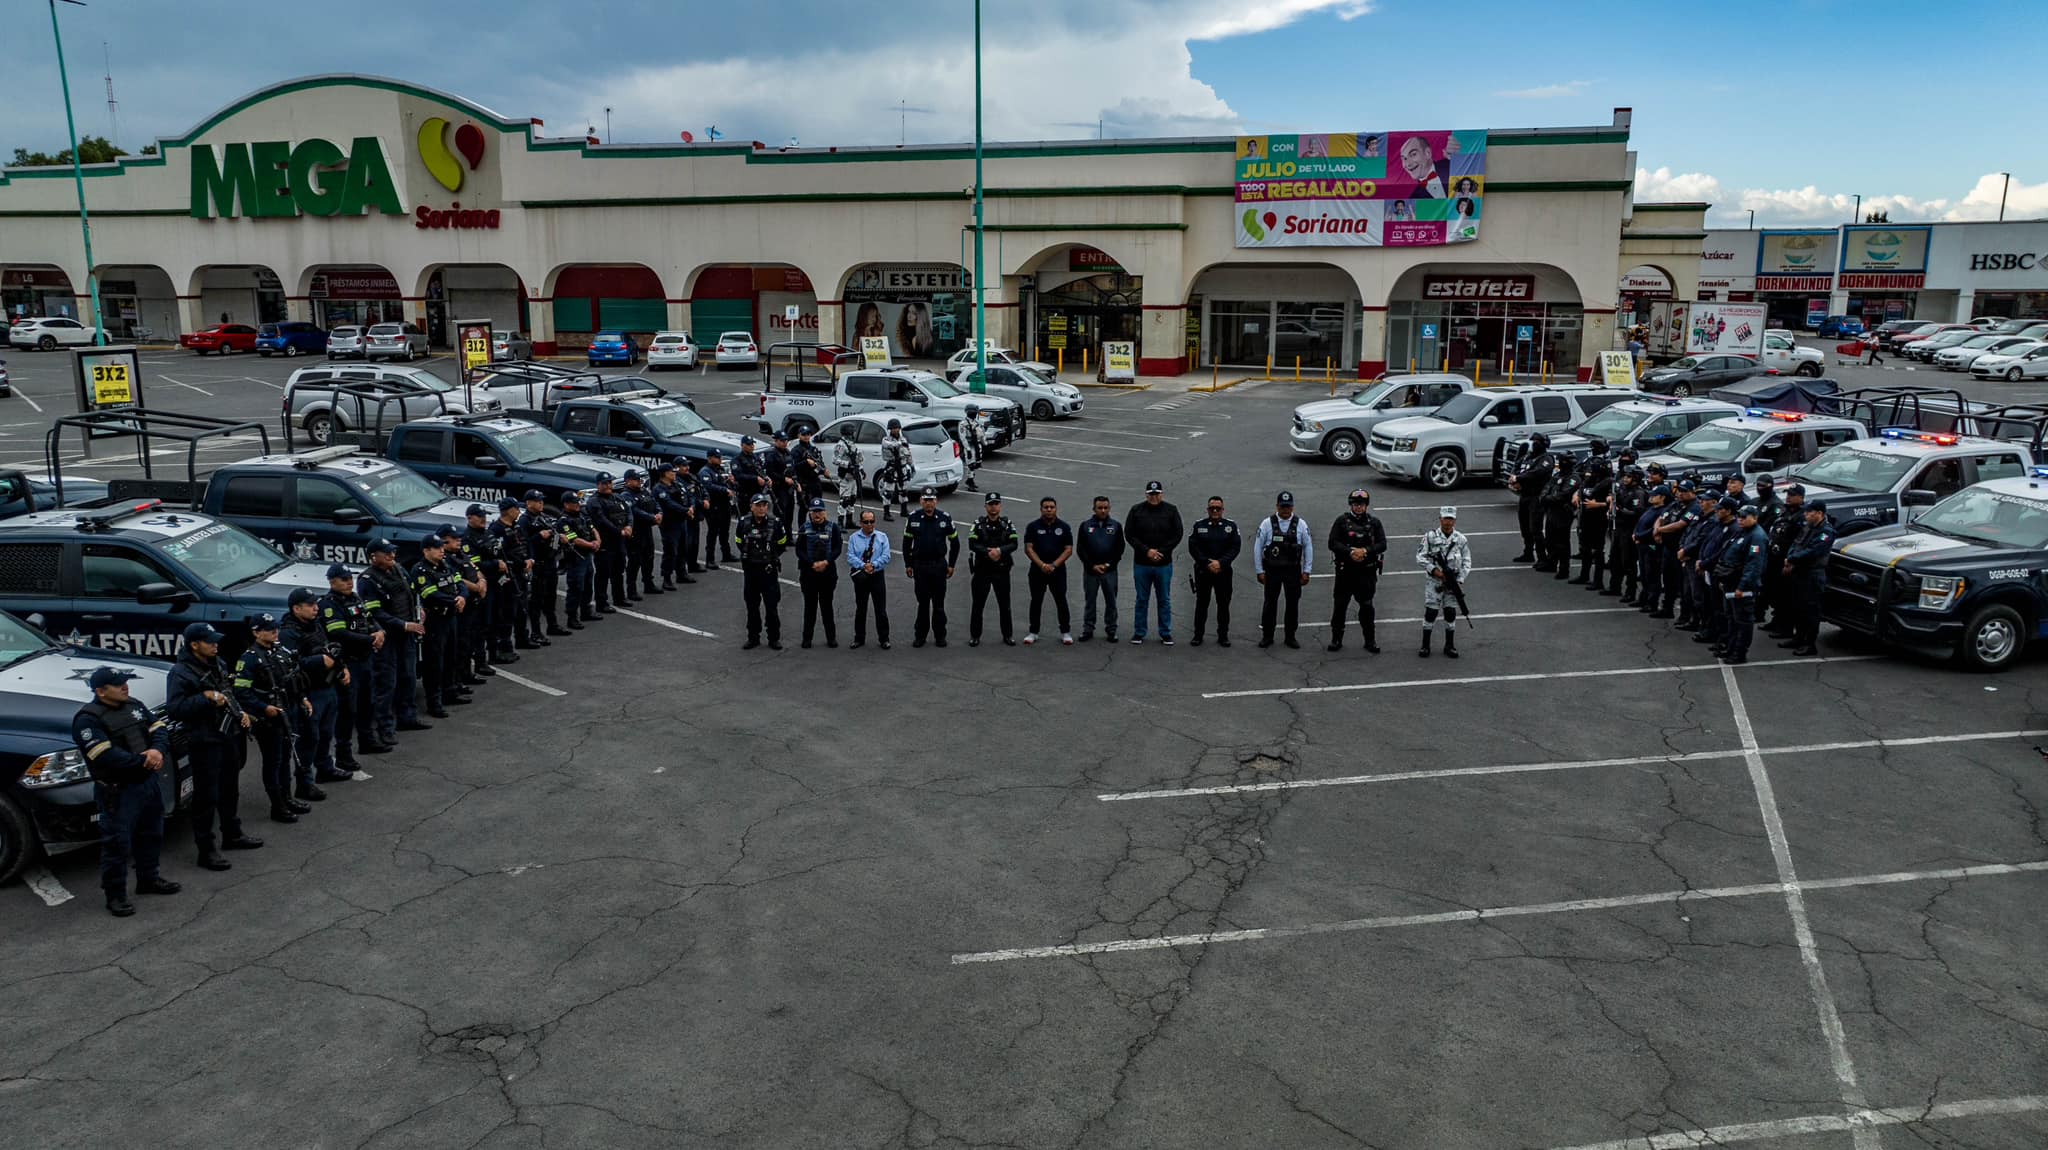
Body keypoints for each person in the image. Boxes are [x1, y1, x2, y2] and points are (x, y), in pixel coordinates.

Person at [73, 666, 179, 916]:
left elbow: (159, 729)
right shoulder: (88, 720)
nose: (125, 686)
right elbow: (104, 755)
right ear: (100, 691)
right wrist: (144, 761)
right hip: (119, 792)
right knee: (117, 844)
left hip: (147, 784)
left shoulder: (134, 704)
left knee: (152, 833)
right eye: (118, 684)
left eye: (124, 682)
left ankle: (148, 879)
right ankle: (115, 895)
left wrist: (157, 751)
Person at [165, 622, 258, 870]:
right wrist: (204, 699)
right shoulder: (181, 673)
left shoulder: (218, 663)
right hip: (204, 740)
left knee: (230, 788)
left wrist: (241, 714)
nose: (215, 645)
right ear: (194, 645)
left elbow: (228, 691)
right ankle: (206, 850)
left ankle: (233, 834)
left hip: (227, 734)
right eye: (210, 641)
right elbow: (175, 709)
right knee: (207, 797)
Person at [235, 612, 313, 824]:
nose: (275, 632)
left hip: (287, 711)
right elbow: (242, 692)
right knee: (274, 761)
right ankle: (277, 805)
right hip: (268, 718)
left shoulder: (280, 651)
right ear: (256, 632)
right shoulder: (249, 658)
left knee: (286, 757)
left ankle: (287, 797)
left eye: (275, 628)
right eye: (269, 630)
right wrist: (263, 707)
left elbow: (293, 679)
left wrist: (302, 698)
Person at [359, 540, 427, 742]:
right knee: (386, 683)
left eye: (392, 553)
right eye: (386, 554)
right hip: (388, 637)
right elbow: (375, 613)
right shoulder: (367, 580)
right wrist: (404, 625)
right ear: (373, 557)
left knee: (408, 676)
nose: (392, 556)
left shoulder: (398, 569)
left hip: (406, 635)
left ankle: (408, 717)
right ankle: (385, 727)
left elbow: (412, 591)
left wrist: (419, 610)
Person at [282, 588, 350, 791]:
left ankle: (325, 769)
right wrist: (318, 661)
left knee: (326, 733)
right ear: (296, 608)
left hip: (327, 687)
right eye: (310, 605)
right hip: (309, 691)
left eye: (315, 604)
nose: (315, 608)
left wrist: (342, 667)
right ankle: (305, 782)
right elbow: (288, 664)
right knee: (309, 738)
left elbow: (330, 648)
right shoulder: (288, 633)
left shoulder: (316, 625)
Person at [319, 562, 384, 766]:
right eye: (344, 579)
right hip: (349, 663)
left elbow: (369, 618)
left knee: (368, 703)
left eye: (350, 578)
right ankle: (343, 754)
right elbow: (339, 634)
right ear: (332, 582)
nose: (349, 582)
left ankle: (367, 740)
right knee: (348, 710)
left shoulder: (354, 598)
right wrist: (370, 639)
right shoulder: (329, 604)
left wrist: (379, 631)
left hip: (365, 660)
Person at [412, 533, 467, 718]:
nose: (442, 551)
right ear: (426, 550)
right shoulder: (420, 570)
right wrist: (454, 601)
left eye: (442, 547)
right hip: (436, 621)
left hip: (451, 618)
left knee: (451, 656)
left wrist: (462, 597)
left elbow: (460, 583)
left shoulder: (446, 566)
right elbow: (430, 594)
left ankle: (449, 692)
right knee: (434, 661)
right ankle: (434, 701)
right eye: (437, 548)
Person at [1326, 488, 1387, 652]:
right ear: (1350, 505)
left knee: (1367, 607)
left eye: (1361, 504)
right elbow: (1332, 543)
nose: (1358, 507)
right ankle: (1336, 639)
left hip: (1366, 573)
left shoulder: (1374, 523)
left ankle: (1370, 641)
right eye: (1355, 504)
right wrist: (1350, 552)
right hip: (1345, 572)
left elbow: (1382, 544)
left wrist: (1365, 551)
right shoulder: (1341, 521)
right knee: (1340, 607)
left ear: (1366, 505)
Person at [1125, 480, 1183, 645]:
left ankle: (1165, 632)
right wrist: (1146, 551)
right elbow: (1129, 534)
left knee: (1164, 599)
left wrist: (1162, 551)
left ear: (1162, 494)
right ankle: (1139, 632)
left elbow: (1178, 534)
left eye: (1157, 494)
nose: (1154, 497)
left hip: (1163, 564)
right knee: (1142, 599)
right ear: (1146, 494)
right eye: (1151, 494)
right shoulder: (1136, 510)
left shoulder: (1171, 510)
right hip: (1142, 564)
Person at [1254, 491, 1313, 648]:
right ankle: (1267, 636)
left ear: (1292, 506)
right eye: (1282, 506)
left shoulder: (1301, 524)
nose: (1285, 510)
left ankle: (1290, 636)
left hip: (1293, 571)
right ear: (1277, 506)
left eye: (1288, 506)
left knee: (1292, 604)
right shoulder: (1267, 524)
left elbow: (1308, 548)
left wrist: (1306, 571)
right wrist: (1260, 571)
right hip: (1272, 571)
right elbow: (1258, 547)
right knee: (1270, 604)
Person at [902, 486, 959, 647]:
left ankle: (940, 635)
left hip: (939, 566)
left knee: (939, 604)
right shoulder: (913, 518)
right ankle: (920, 635)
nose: (929, 504)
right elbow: (906, 544)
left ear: (936, 501)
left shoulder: (944, 518)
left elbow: (955, 543)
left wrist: (952, 565)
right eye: (926, 500)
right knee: (923, 603)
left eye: (932, 500)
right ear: (921, 501)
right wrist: (908, 564)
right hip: (920, 566)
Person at [1714, 505, 1769, 664]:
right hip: (1731, 582)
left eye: (1744, 517)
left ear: (1755, 517)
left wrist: (1742, 587)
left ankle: (1739, 652)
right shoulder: (1742, 531)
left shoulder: (1757, 536)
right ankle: (1731, 648)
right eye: (1739, 516)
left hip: (1742, 586)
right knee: (1731, 618)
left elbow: (1754, 566)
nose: (1740, 519)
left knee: (1743, 621)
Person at [1186, 495, 1242, 648]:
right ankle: (1198, 635)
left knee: (1223, 604)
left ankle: (1223, 635)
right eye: (1212, 508)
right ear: (1208, 510)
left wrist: (1220, 563)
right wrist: (1206, 563)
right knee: (1202, 604)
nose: (1215, 510)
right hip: (1204, 571)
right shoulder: (1199, 525)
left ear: (1223, 510)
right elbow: (1193, 547)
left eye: (1218, 508)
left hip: (1223, 571)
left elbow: (1235, 548)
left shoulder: (1231, 526)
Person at [735, 494, 789, 649]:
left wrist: (770, 556)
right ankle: (753, 637)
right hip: (751, 571)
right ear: (751, 506)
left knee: (771, 607)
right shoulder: (743, 522)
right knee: (752, 607)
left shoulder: (776, 523)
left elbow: (782, 543)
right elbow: (739, 541)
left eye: (764, 505)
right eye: (758, 505)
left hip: (768, 571)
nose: (761, 508)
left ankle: (773, 638)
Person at [1780, 501, 1834, 657]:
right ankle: (1798, 637)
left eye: (1809, 512)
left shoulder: (1826, 532)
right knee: (1797, 607)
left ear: (1819, 513)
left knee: (1810, 611)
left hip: (1813, 574)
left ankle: (1809, 644)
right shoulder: (1807, 526)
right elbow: (1796, 543)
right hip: (1799, 572)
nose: (1806, 515)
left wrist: (1793, 559)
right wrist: (1790, 557)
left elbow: (1813, 551)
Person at [1416, 508, 1471, 658]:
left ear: (1455, 521)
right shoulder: (1430, 536)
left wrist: (1459, 580)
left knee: (1450, 612)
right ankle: (1425, 645)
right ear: (1440, 519)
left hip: (1453, 582)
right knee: (1431, 612)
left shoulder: (1461, 539)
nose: (1448, 522)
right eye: (1445, 519)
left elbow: (1467, 562)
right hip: (1435, 581)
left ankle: (1449, 645)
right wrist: (1435, 571)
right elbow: (1420, 557)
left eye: (1451, 519)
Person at [965, 493, 1019, 646]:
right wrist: (989, 552)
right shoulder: (978, 524)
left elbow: (1014, 543)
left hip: (1001, 571)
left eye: (996, 503)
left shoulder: (1007, 523)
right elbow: (972, 544)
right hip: (982, 570)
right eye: (990, 504)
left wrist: (1000, 551)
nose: (993, 507)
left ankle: (1007, 635)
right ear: (985, 506)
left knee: (1005, 605)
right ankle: (975, 636)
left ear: (1000, 506)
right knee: (978, 605)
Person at [1023, 496, 1075, 645]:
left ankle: (1065, 632)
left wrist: (1053, 565)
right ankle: (1033, 632)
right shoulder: (1032, 526)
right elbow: (1028, 548)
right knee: (1036, 601)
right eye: (1046, 507)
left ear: (1056, 508)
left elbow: (1068, 549)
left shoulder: (1064, 527)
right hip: (1037, 571)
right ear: (1041, 509)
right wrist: (1042, 565)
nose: (1049, 509)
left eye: (1052, 507)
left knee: (1061, 601)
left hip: (1057, 571)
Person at [490, 497, 538, 659]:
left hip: (522, 572)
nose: (519, 511)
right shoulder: (497, 529)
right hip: (510, 575)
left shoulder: (517, 526)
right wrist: (521, 562)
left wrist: (530, 559)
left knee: (522, 608)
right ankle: (505, 646)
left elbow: (527, 543)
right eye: (517, 508)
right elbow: (504, 553)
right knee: (508, 611)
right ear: (509, 510)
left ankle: (522, 638)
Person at [519, 490, 570, 640]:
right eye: (537, 501)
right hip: (538, 564)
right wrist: (537, 537)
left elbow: (553, 531)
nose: (541, 503)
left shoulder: (543, 517)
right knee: (537, 600)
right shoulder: (525, 521)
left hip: (550, 561)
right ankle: (536, 632)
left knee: (550, 597)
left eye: (542, 500)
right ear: (529, 503)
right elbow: (523, 543)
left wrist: (559, 536)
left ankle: (552, 625)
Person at [794, 497, 843, 648]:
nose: (817, 514)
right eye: (814, 511)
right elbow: (799, 550)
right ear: (809, 513)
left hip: (827, 574)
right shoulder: (804, 529)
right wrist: (812, 564)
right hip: (809, 574)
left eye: (820, 511)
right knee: (810, 608)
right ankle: (807, 638)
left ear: (825, 513)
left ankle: (831, 638)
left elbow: (837, 548)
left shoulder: (833, 527)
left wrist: (826, 562)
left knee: (827, 607)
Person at [1075, 495, 1125, 642]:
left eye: (1105, 508)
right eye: (1100, 508)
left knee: (1111, 602)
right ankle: (1088, 629)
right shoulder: (1085, 525)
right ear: (1094, 509)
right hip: (1091, 571)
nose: (1103, 511)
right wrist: (1092, 566)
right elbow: (1080, 549)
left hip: (1109, 571)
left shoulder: (1116, 526)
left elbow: (1120, 548)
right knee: (1090, 601)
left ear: (1109, 508)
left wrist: (1108, 564)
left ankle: (1111, 630)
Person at [454, 509, 497, 676]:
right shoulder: (467, 539)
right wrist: (478, 586)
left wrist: (483, 581)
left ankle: (481, 661)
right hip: (471, 595)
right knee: (471, 632)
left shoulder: (487, 533)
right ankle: (469, 668)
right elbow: (474, 566)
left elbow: (473, 567)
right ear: (469, 518)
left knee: (485, 626)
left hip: (487, 586)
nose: (483, 519)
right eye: (480, 516)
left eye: (484, 516)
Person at [1765, 484, 1808, 637]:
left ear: (1801, 498)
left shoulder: (1802, 516)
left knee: (1786, 596)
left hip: (1787, 561)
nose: (1788, 497)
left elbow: (1799, 541)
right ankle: (1776, 621)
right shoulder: (1785, 510)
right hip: (1774, 559)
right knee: (1775, 593)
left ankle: (1785, 628)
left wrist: (1791, 561)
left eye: (1793, 494)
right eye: (1788, 493)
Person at [847, 508, 893, 649]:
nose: (869, 524)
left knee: (880, 609)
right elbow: (850, 556)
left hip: (877, 576)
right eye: (866, 522)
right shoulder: (854, 538)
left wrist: (873, 565)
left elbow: (886, 556)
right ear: (861, 523)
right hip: (861, 576)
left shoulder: (882, 537)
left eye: (872, 521)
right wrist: (863, 565)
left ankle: (884, 639)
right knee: (861, 609)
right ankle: (859, 638)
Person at [587, 473, 632, 611]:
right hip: (606, 542)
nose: (607, 486)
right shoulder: (594, 501)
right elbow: (602, 521)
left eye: (609, 483)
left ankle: (619, 598)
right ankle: (601, 603)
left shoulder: (617, 497)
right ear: (598, 484)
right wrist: (620, 531)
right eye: (604, 483)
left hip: (619, 541)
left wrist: (629, 525)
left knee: (618, 570)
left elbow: (628, 512)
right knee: (603, 573)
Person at [1510, 433, 1554, 565]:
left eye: (1536, 441)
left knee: (1535, 528)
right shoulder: (1528, 456)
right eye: (1533, 441)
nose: (1534, 444)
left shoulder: (1547, 459)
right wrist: (1514, 479)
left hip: (1537, 496)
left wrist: (1519, 478)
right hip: (1524, 495)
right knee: (1524, 526)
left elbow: (1537, 473)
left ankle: (1542, 557)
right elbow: (1517, 466)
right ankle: (1528, 552)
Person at [1572, 452, 1613, 588]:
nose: (1591, 469)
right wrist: (1577, 495)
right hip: (1585, 518)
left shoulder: (1609, 482)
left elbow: (1614, 501)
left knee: (1597, 550)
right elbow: (1581, 488)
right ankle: (1584, 575)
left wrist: (1599, 504)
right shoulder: (1590, 479)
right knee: (1585, 548)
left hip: (1599, 519)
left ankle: (1598, 580)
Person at [621, 468, 663, 597]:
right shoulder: (626, 495)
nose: (639, 482)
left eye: (639, 479)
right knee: (635, 561)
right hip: (636, 531)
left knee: (649, 557)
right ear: (628, 481)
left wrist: (659, 513)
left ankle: (648, 584)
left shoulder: (644, 491)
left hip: (646, 530)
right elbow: (634, 511)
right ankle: (631, 589)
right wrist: (652, 517)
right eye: (635, 480)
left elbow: (655, 503)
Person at [1607, 466, 1647, 601]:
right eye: (1625, 476)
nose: (1625, 478)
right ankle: (1614, 586)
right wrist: (1612, 506)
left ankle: (1631, 591)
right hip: (1618, 528)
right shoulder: (1622, 489)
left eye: (1629, 476)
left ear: (1635, 479)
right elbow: (1614, 500)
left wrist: (1620, 511)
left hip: (1629, 530)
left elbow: (1637, 513)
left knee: (1628, 562)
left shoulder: (1638, 493)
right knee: (1614, 559)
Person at [653, 462, 694, 590]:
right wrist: (685, 510)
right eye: (672, 472)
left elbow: (689, 495)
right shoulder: (659, 489)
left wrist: (691, 507)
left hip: (681, 521)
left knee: (683, 548)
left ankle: (681, 573)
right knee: (670, 551)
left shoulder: (677, 484)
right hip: (670, 524)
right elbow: (668, 504)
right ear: (665, 474)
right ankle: (666, 578)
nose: (674, 474)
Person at [1540, 453, 1579, 579]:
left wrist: (1548, 499)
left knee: (1562, 542)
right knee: (1550, 539)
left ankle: (1564, 569)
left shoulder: (1573, 478)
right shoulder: (1557, 475)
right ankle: (1551, 563)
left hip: (1563, 512)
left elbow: (1564, 495)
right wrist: (1545, 497)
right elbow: (1547, 487)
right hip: (1552, 511)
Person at [701, 449, 737, 567]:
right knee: (713, 533)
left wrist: (730, 482)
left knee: (724, 532)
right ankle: (709, 559)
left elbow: (724, 482)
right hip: (714, 506)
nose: (720, 459)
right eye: (717, 457)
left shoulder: (720, 470)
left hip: (724, 504)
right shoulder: (705, 472)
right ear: (710, 458)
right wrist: (724, 489)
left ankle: (726, 554)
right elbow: (708, 486)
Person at [878, 419, 916, 521]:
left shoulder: (904, 439)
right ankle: (886, 513)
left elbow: (908, 453)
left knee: (903, 490)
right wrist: (899, 443)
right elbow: (890, 445)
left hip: (902, 467)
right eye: (893, 428)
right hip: (892, 467)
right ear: (890, 429)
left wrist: (911, 465)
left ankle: (904, 510)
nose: (895, 430)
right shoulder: (886, 439)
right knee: (889, 492)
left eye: (897, 428)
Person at [790, 424, 830, 512]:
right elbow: (794, 467)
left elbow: (820, 463)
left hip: (815, 482)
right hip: (803, 482)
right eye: (803, 434)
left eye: (808, 434)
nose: (806, 436)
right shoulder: (796, 450)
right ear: (799, 435)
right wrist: (806, 462)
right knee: (804, 508)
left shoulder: (813, 449)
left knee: (817, 507)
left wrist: (824, 470)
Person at [762, 431, 796, 528]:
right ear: (776, 441)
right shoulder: (772, 455)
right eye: (782, 441)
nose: (785, 442)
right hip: (779, 488)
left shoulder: (787, 452)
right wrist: (784, 479)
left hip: (789, 488)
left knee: (789, 514)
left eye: (786, 440)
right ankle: (779, 537)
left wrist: (796, 482)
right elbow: (770, 472)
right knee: (780, 514)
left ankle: (788, 536)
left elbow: (792, 469)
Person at [833, 434, 865, 529]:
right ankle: (840, 522)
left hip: (853, 475)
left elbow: (857, 459)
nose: (853, 434)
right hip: (845, 475)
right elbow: (835, 460)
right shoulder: (841, 445)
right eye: (852, 432)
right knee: (845, 499)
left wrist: (861, 469)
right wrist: (847, 464)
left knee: (852, 498)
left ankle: (849, 521)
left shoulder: (852, 444)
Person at [960, 406, 989, 494]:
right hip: (970, 445)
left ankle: (970, 480)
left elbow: (981, 434)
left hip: (977, 445)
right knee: (971, 464)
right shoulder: (963, 424)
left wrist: (985, 443)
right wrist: (967, 449)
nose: (974, 414)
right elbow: (963, 438)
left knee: (976, 464)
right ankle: (970, 483)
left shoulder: (977, 422)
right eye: (973, 412)